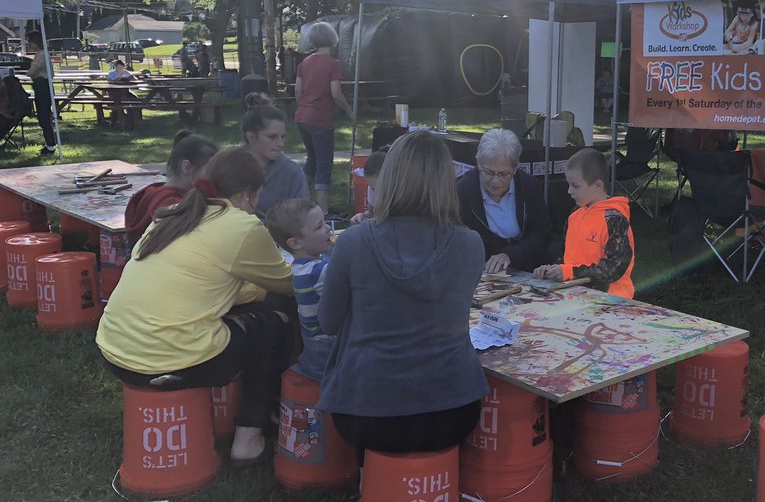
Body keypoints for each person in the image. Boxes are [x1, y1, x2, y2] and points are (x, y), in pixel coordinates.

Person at [96, 147, 296, 463]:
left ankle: (207, 390)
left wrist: (247, 289)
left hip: (115, 352)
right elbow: (288, 283)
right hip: (170, 360)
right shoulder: (243, 226)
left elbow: (207, 285)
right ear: (247, 195)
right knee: (275, 320)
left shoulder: (172, 216)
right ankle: (249, 435)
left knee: (245, 313)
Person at [316, 130, 487, 458]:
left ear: (389, 178)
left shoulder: (353, 242)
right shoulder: (471, 244)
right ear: (445, 181)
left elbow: (327, 322)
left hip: (367, 412)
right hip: (455, 410)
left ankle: (371, 486)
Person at [533, 148, 635, 298]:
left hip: (609, 300)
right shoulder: (575, 214)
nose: (569, 191)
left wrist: (569, 272)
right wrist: (553, 269)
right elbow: (567, 257)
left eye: (575, 186)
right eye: (568, 184)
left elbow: (614, 268)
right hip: (574, 295)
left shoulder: (615, 220)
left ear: (597, 186)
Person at [456, 128, 551, 274]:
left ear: (515, 168)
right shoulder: (462, 191)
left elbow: (541, 234)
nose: (495, 181)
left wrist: (509, 255)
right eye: (488, 172)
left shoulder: (528, 186)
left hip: (526, 270)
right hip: (479, 273)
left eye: (503, 174)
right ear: (478, 164)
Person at [266, 198, 335, 382]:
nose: (328, 228)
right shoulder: (317, 272)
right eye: (319, 227)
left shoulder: (305, 264)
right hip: (325, 348)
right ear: (296, 243)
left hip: (314, 342)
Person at [294, 21, 354, 212]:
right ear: (332, 39)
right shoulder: (333, 64)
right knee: (324, 163)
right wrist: (350, 112)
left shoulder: (304, 63)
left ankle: (298, 199)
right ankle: (324, 210)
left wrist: (304, 105)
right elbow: (336, 93)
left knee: (312, 157)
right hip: (320, 119)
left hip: (302, 116)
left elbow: (298, 91)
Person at [124, 130, 219, 243]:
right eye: (208, 172)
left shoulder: (155, 191)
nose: (212, 178)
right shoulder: (174, 204)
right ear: (186, 167)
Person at [241, 105, 307, 216]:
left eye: (283, 137)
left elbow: (302, 218)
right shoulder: (228, 167)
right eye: (272, 137)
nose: (280, 144)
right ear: (251, 137)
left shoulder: (291, 172)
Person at [24, 31, 57, 154]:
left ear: (35, 41)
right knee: (42, 116)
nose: (28, 44)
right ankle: (49, 144)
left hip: (43, 86)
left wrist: (28, 72)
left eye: (30, 41)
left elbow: (33, 71)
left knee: (44, 116)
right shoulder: (39, 54)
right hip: (39, 86)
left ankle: (50, 146)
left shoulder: (42, 55)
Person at [350, 149, 387, 224]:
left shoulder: (405, 195)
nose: (375, 191)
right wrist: (363, 216)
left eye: (379, 188)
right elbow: (371, 212)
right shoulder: (372, 188)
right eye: (372, 188)